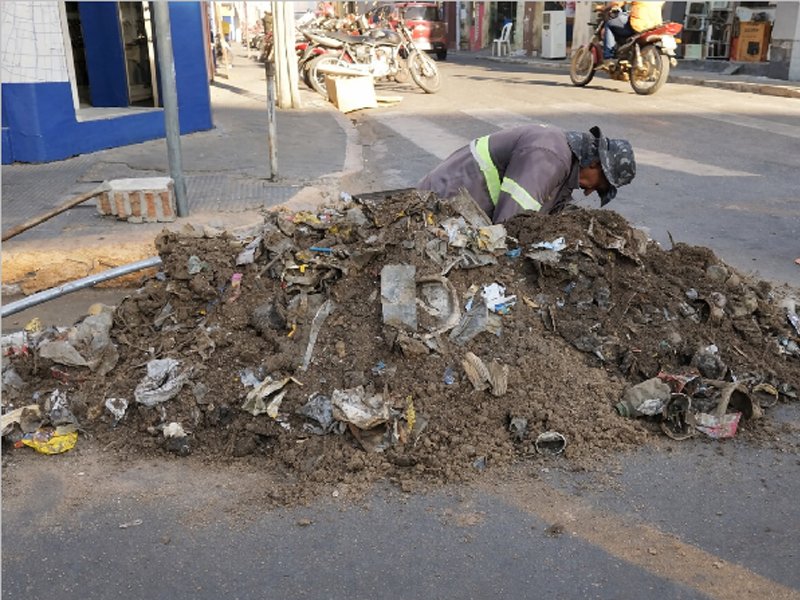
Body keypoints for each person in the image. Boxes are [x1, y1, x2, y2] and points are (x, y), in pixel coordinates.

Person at [417, 125, 636, 224]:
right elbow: (512, 224)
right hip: (438, 206)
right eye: (598, 187)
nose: (588, 192)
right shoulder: (548, 157)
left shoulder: (564, 163)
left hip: (461, 211)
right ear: (596, 163)